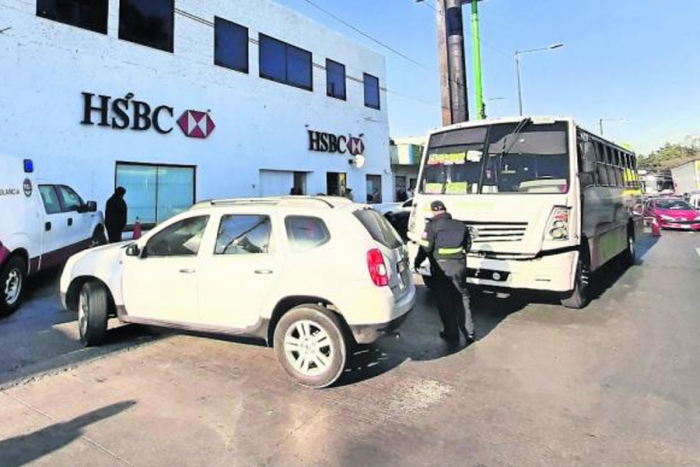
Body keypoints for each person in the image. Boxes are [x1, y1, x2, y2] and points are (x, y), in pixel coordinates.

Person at [414, 200, 475, 345]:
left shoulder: (431, 225)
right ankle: (469, 332)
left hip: (441, 270)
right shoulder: (461, 225)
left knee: (444, 300)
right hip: (459, 267)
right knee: (463, 298)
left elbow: (425, 248)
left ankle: (451, 332)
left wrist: (417, 262)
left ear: (434, 211)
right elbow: (468, 246)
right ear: (445, 210)